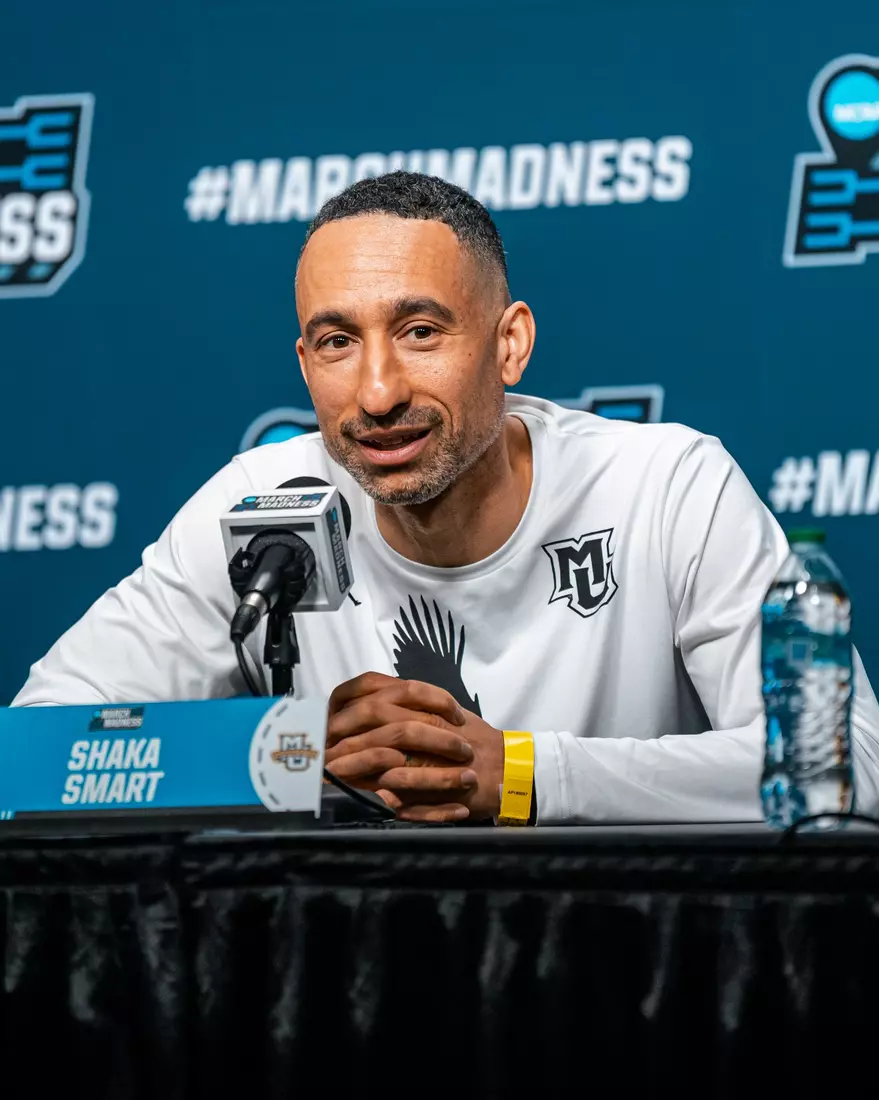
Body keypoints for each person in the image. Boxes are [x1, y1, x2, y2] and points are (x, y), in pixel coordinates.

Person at [12, 172, 879, 826]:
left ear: (509, 345)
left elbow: (848, 766)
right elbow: (28, 755)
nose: (379, 390)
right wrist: (291, 748)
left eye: (420, 331)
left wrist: (520, 775)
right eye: (337, 341)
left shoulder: (665, 486)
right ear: (305, 365)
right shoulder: (258, 505)